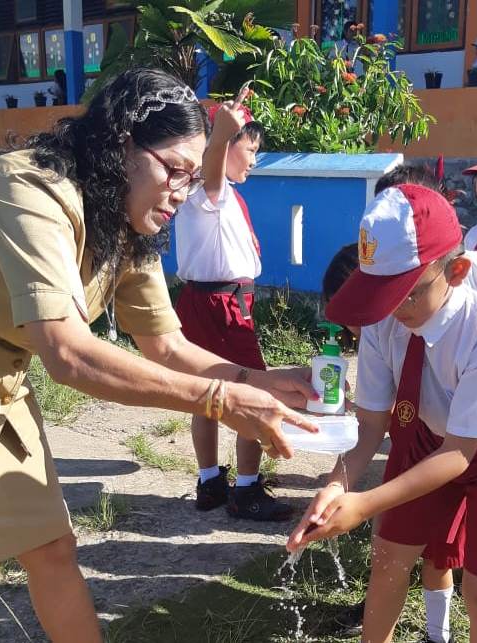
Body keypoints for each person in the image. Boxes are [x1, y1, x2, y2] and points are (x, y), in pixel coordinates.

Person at [0, 67, 316, 643]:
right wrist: (221, 398)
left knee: (51, 551)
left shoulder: (124, 220)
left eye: (193, 179)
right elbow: (69, 354)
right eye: (173, 170)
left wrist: (258, 379)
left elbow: (165, 345)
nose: (181, 191)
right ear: (120, 142)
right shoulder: (28, 192)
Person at [288, 184, 477, 643]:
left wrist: (364, 504)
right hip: (428, 438)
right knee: (388, 556)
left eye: (408, 293)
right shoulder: (383, 322)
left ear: (458, 271)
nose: (394, 309)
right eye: (383, 294)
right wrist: (336, 485)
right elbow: (370, 425)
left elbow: (460, 455)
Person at [173, 95, 288, 521]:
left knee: (204, 395)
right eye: (251, 149)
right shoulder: (210, 193)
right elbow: (213, 170)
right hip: (221, 305)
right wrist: (221, 132)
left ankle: (210, 481)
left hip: (205, 301)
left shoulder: (210, 195)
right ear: (224, 147)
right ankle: (246, 489)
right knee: (250, 391)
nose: (255, 159)